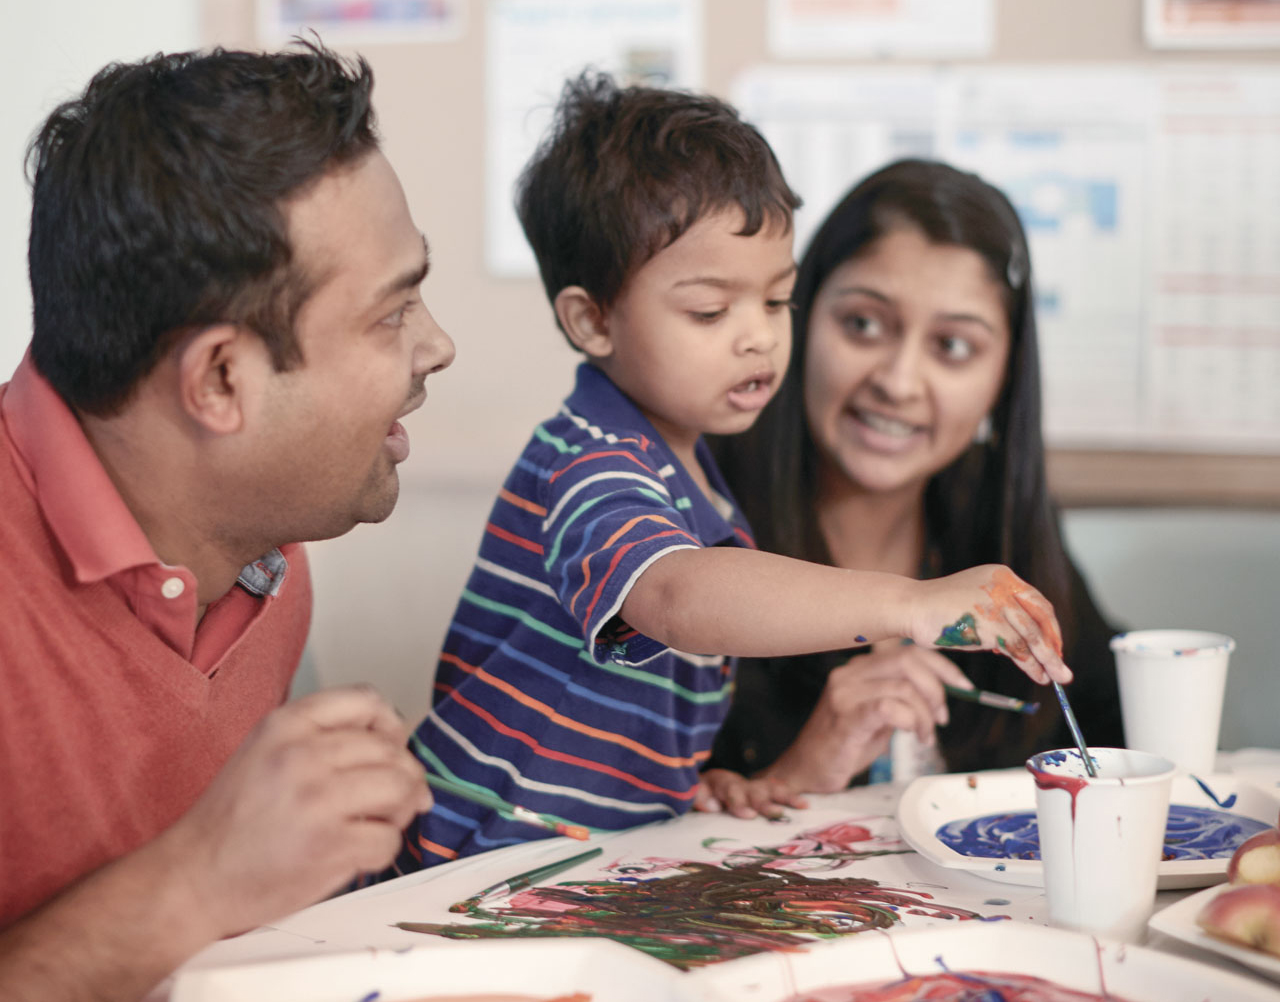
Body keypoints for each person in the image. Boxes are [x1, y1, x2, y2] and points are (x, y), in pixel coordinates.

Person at [394, 76, 1074, 872]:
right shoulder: (589, 460)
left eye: (777, 302)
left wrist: (756, 782)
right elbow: (677, 597)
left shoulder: (696, 472)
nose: (757, 339)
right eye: (712, 313)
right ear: (593, 320)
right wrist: (913, 604)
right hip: (476, 862)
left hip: (588, 867)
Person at [0, 41, 454, 1001]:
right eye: (391, 313)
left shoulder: (265, 541)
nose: (436, 346)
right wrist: (197, 880)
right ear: (218, 381)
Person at [702, 159, 1124, 815]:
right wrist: (805, 769)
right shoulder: (690, 516)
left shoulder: (990, 508)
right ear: (798, 317)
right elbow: (627, 848)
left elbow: (1114, 737)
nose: (899, 381)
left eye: (953, 346)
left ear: (1004, 376)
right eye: (864, 325)